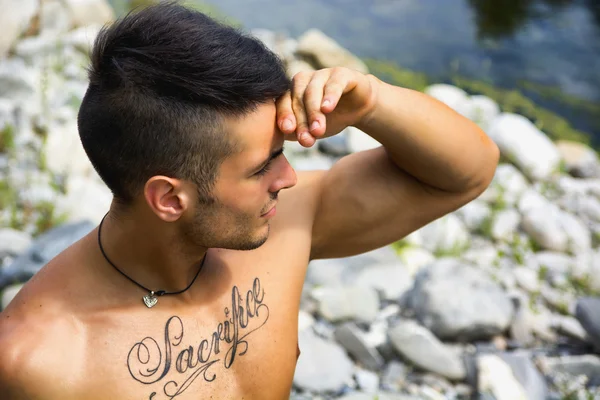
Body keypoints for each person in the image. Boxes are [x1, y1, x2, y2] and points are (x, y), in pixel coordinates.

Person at [0, 2, 499, 399]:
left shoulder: (281, 230)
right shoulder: (41, 363)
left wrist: (374, 103)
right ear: (169, 199)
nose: (289, 178)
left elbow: (464, 175)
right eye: (262, 167)